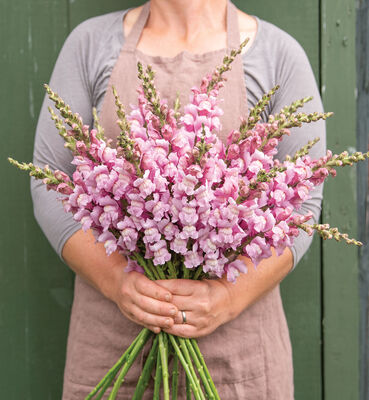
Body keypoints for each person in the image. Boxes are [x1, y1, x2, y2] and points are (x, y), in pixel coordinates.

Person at [32, 0, 326, 398]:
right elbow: (51, 183)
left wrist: (226, 296)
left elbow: (302, 209)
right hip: (111, 345)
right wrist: (119, 281)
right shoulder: (90, 44)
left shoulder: (277, 54)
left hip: (237, 356)